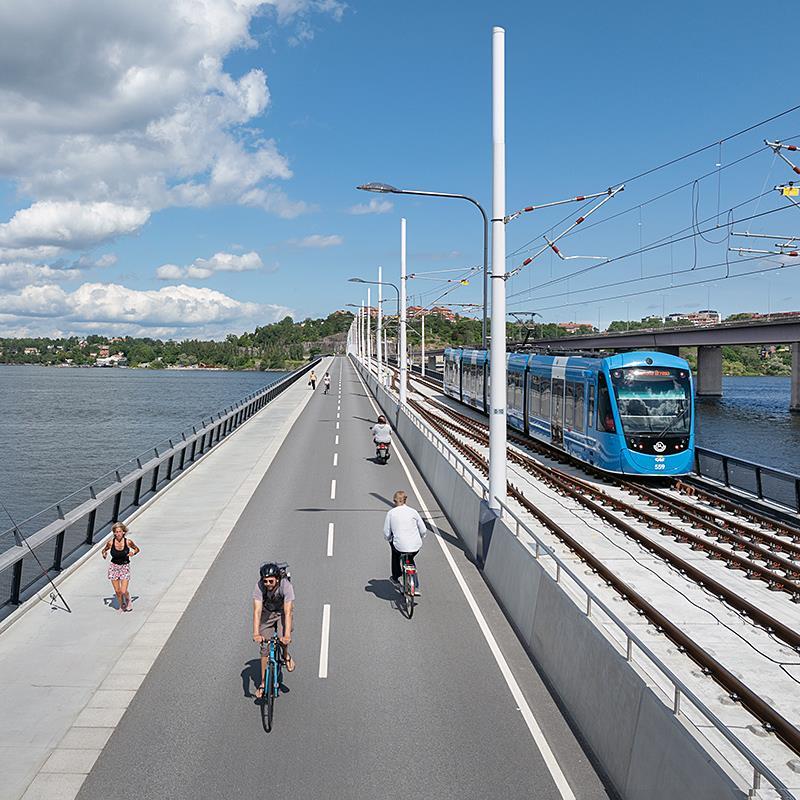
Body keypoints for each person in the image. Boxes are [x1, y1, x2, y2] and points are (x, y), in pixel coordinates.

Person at [252, 562, 295, 699]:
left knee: (283, 638)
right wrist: (256, 633)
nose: (268, 584)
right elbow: (257, 611)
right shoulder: (259, 587)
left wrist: (287, 635)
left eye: (271, 581)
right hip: (267, 612)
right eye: (265, 581)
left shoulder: (286, 586)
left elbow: (288, 612)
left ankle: (286, 655)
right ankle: (263, 683)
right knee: (265, 648)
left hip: (282, 612)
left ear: (277, 579)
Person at [383, 490, 427, 592]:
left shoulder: (391, 513)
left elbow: (386, 533)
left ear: (394, 501)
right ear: (405, 500)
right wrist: (420, 537)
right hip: (415, 546)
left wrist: (389, 539)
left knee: (395, 554)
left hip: (400, 547)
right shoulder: (413, 512)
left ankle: (396, 576)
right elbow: (423, 530)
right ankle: (415, 585)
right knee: (410, 557)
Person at [101, 522, 140, 612]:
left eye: (120, 531)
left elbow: (137, 549)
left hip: (124, 567)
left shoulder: (128, 542)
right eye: (116, 532)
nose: (118, 534)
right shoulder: (110, 543)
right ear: (114, 533)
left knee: (123, 590)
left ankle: (127, 599)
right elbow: (104, 550)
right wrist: (104, 553)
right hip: (113, 567)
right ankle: (122, 604)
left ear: (123, 532)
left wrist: (133, 553)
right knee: (117, 591)